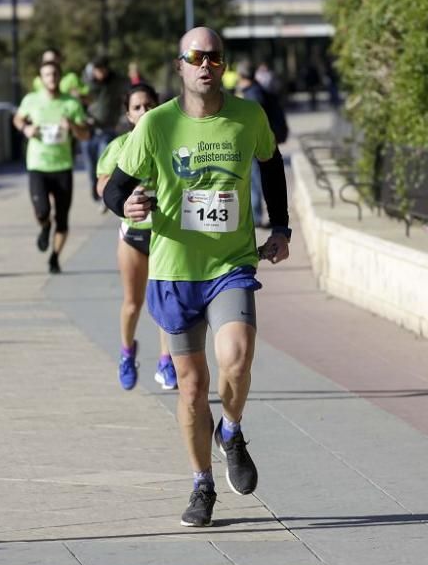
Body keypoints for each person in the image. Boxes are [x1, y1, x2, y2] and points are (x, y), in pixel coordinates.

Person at [102, 27, 292, 527]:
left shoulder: (248, 115)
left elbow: (271, 166)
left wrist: (283, 227)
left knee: (238, 356)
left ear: (222, 65)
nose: (206, 65)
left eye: (214, 57)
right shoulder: (156, 126)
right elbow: (115, 189)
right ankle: (201, 485)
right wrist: (126, 203)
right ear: (181, 65)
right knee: (190, 388)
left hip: (230, 265)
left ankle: (230, 429)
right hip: (173, 271)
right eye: (195, 56)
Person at [96, 84, 178, 392]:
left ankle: (166, 361)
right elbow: (103, 185)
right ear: (128, 115)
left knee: (166, 301)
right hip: (132, 236)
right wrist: (125, 198)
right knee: (134, 302)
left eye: (149, 106)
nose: (144, 112)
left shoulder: (169, 142)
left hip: (165, 234)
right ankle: (127, 353)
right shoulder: (119, 146)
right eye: (137, 107)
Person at [12, 59, 91, 274]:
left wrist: (72, 125)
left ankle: (55, 257)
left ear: (60, 77)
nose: (52, 78)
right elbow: (17, 119)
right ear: (41, 78)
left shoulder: (71, 104)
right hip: (38, 164)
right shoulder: (31, 100)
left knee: (63, 217)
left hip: (63, 165)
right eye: (47, 74)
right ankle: (45, 226)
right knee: (42, 210)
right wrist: (26, 129)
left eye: (55, 74)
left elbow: (85, 135)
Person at [235, 60, 289, 227]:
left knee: (255, 180)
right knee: (256, 178)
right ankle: (257, 215)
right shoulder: (257, 90)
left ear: (241, 76)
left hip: (256, 142)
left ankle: (256, 217)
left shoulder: (252, 95)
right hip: (262, 141)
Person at [83, 56, 126, 202]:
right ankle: (94, 188)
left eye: (101, 69)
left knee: (104, 163)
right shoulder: (87, 84)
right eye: (96, 70)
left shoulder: (115, 83)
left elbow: (124, 95)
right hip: (89, 131)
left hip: (108, 129)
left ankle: (103, 194)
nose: (99, 73)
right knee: (90, 165)